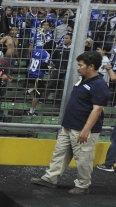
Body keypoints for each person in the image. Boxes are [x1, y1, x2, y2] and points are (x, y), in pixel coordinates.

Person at [31, 51, 110, 195]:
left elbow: (97, 109)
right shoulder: (83, 80)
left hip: (82, 128)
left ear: (91, 66)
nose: (78, 68)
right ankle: (50, 178)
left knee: (83, 158)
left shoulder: (99, 85)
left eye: (81, 65)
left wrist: (86, 130)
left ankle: (83, 184)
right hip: (69, 125)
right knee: (59, 153)